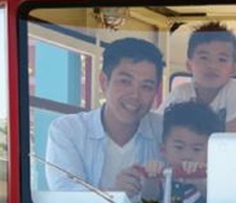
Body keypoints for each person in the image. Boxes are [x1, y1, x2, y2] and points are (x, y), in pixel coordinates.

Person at [45, 37, 164, 192]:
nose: (135, 95)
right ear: (104, 82)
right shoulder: (68, 130)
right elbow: (64, 191)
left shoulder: (166, 131)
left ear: (156, 92)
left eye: (146, 86)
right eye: (125, 82)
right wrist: (115, 194)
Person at [122, 100, 220, 203]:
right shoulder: (162, 176)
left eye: (196, 149)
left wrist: (200, 182)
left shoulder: (214, 180)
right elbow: (148, 202)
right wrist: (151, 179)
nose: (187, 156)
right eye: (179, 147)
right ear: (164, 149)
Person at [163, 21, 236, 132]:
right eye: (204, 58)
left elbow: (233, 133)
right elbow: (159, 125)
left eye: (222, 59)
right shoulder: (181, 92)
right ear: (189, 65)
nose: (212, 66)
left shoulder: (233, 89)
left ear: (234, 69)